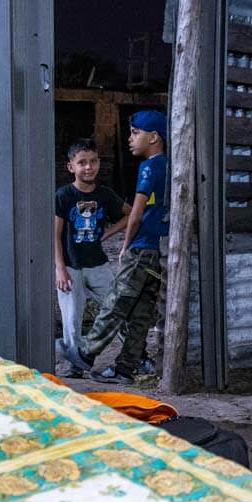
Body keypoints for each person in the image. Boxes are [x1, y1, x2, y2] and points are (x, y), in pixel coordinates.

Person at [66, 111, 169, 384]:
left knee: (116, 304)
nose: (130, 139)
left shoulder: (148, 167)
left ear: (154, 137)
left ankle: (86, 353)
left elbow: (135, 213)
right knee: (140, 314)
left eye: (136, 133)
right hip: (159, 250)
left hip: (142, 248)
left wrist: (125, 245)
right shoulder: (168, 166)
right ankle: (125, 369)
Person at [54, 138, 129, 375]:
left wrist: (107, 234)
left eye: (93, 161)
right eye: (82, 162)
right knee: (72, 318)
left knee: (117, 307)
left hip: (98, 264)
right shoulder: (64, 195)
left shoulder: (105, 195)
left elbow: (130, 215)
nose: (89, 167)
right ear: (71, 167)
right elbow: (54, 235)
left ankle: (133, 358)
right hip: (70, 266)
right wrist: (60, 269)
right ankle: (76, 364)